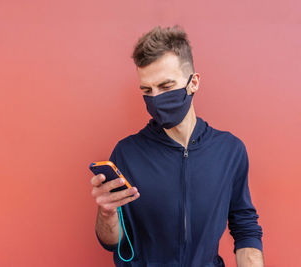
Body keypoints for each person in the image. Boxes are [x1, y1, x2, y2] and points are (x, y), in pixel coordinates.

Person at [90, 25, 264, 266]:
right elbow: (113, 241)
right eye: (146, 90)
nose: (155, 99)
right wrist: (106, 213)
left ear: (193, 83)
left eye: (166, 87)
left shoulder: (230, 151)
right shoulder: (126, 153)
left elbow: (245, 229)